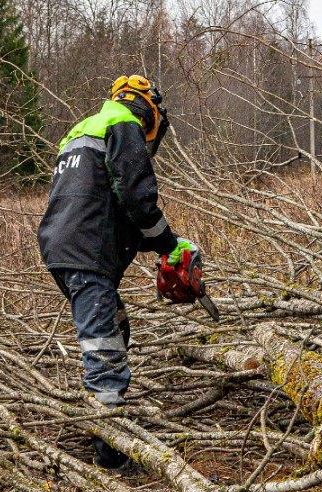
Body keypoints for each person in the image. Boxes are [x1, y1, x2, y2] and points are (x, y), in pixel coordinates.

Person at [37, 74, 200, 469]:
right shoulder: (123, 124)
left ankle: (102, 418)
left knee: (115, 327)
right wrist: (168, 246)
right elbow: (137, 197)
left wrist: (163, 243)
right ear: (149, 110)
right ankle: (109, 450)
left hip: (62, 246)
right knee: (103, 347)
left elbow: (106, 206)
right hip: (87, 252)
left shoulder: (82, 130)